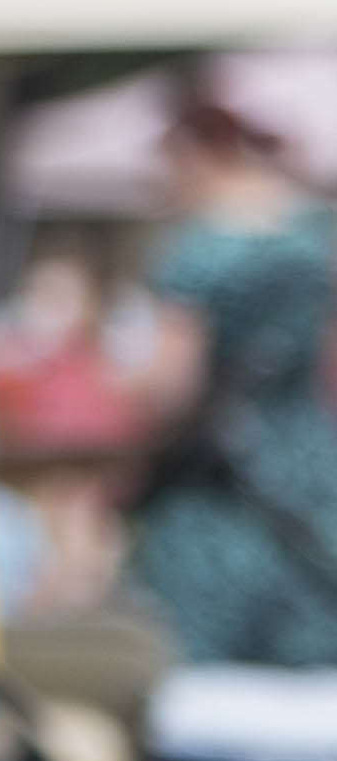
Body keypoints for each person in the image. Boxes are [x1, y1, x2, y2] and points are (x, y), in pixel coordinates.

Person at [122, 91, 337, 667]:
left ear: (197, 156)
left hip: (220, 483)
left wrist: (126, 391)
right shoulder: (313, 234)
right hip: (307, 466)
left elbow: (170, 386)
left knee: (207, 663)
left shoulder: (198, 248)